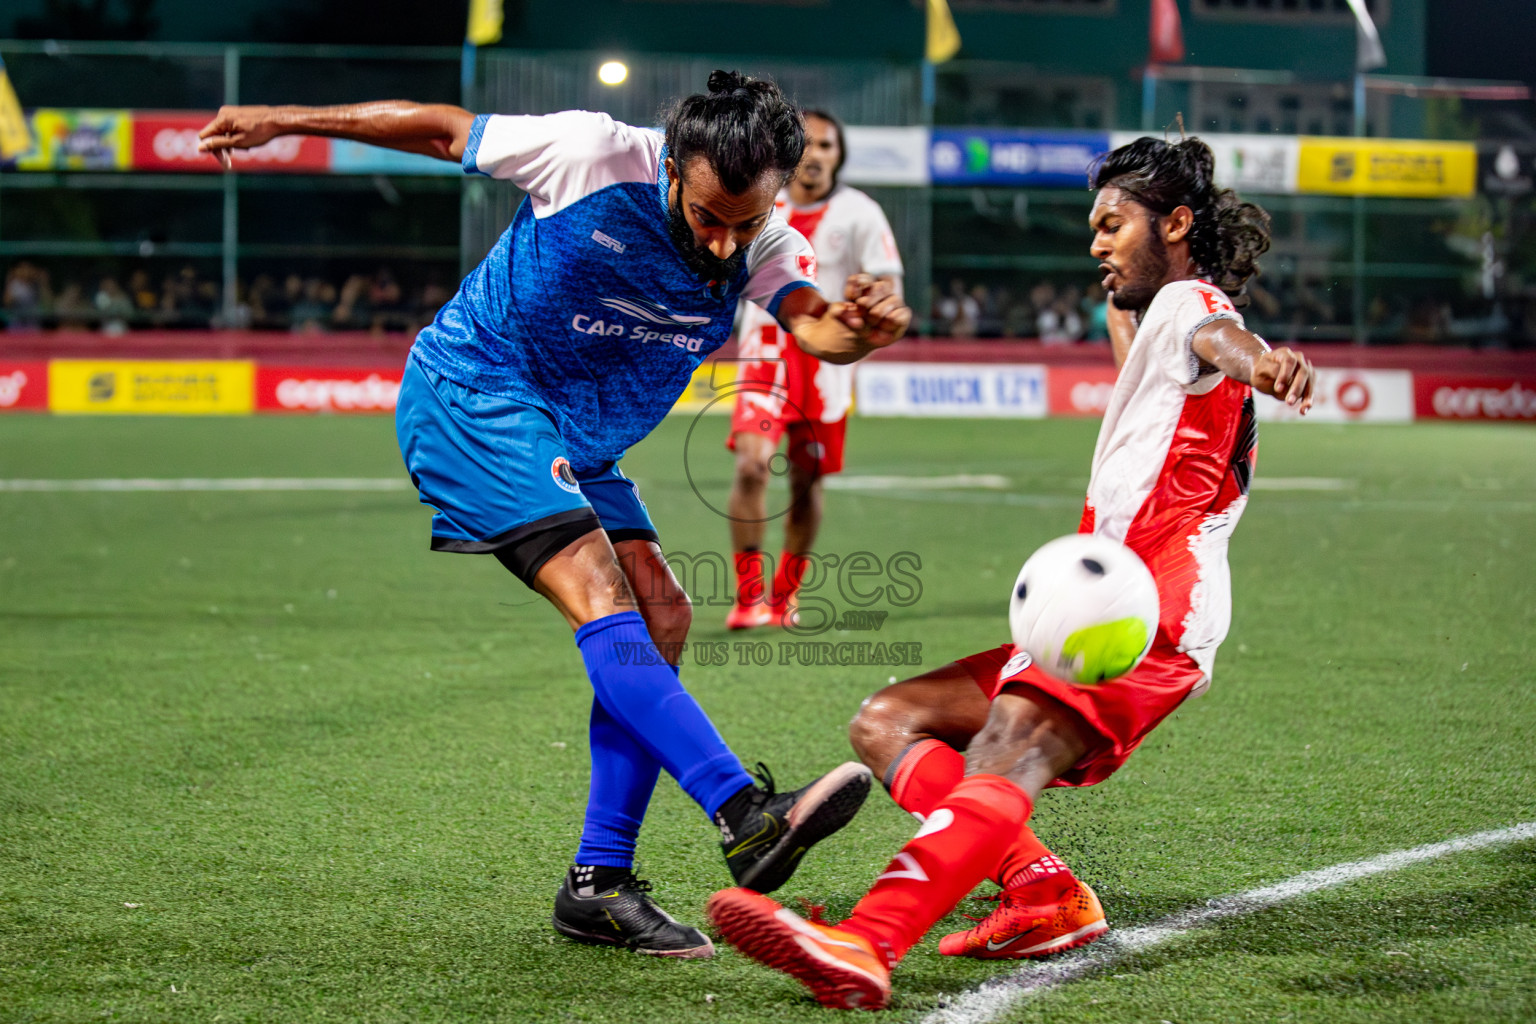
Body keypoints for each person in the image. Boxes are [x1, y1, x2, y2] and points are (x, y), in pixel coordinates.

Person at [197, 71, 911, 960]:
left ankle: (598, 886)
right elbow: (440, 129)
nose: (724, 244)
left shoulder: (766, 233)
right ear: (672, 167)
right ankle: (743, 810)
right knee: (603, 594)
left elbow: (815, 324)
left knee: (664, 616)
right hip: (475, 394)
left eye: (744, 221)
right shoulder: (589, 154)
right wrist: (283, 112)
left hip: (579, 438)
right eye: (705, 217)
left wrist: (862, 330)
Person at [706, 135, 1315, 1009]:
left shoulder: (1190, 303)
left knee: (1007, 749)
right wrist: (1144, 311)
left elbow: (1221, 335)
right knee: (889, 722)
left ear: (1176, 224)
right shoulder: (1160, 324)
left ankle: (869, 942)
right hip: (1109, 596)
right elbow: (1171, 346)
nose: (1096, 243)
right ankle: (1040, 892)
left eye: (1113, 225)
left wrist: (1264, 359)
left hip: (1143, 607)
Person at [724, 108, 904, 630]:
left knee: (806, 483)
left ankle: (786, 594)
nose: (817, 156)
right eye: (807, 145)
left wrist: (871, 305)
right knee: (752, 465)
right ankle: (749, 593)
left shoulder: (861, 213)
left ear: (838, 156)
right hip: (763, 352)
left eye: (827, 146)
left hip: (826, 369)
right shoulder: (758, 203)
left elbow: (889, 288)